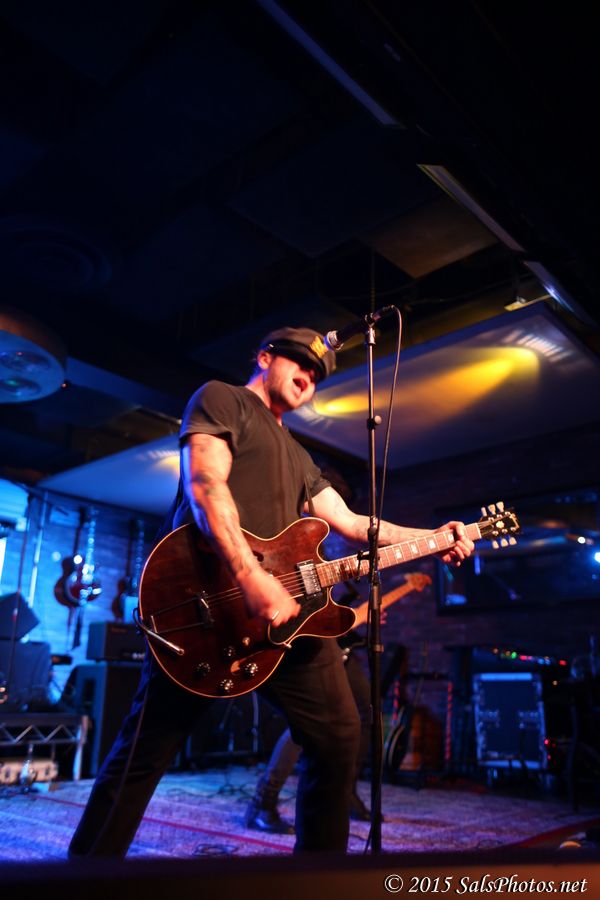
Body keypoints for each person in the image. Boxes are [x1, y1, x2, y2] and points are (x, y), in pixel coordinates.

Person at [68, 326, 474, 858]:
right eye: (299, 362)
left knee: (338, 733)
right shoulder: (223, 399)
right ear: (264, 357)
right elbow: (205, 485)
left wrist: (435, 537)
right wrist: (248, 574)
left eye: (317, 373)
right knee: (144, 754)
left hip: (286, 620)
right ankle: (82, 876)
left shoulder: (300, 457)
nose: (309, 376)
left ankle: (317, 879)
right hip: (201, 605)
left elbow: (353, 523)